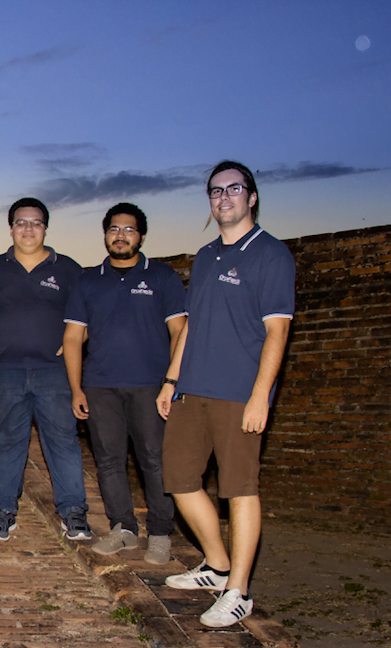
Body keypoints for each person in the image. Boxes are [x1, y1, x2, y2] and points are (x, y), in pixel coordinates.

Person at [157, 161, 294, 628]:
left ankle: (239, 590)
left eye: (234, 189)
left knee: (239, 488)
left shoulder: (271, 255)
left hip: (239, 391)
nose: (224, 198)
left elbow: (277, 333)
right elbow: (192, 326)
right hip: (192, 389)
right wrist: (172, 379)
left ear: (251, 197)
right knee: (178, 478)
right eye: (215, 191)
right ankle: (216, 567)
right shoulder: (205, 255)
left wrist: (261, 397)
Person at [62, 203, 186, 564]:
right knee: (109, 460)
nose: (120, 236)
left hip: (151, 385)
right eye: (114, 229)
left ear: (142, 236)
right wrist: (76, 388)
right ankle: (124, 528)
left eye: (129, 230)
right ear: (105, 235)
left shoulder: (162, 276)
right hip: (100, 386)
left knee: (154, 459)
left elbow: (180, 330)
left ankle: (161, 533)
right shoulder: (88, 281)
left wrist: (171, 381)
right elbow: (72, 338)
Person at [0, 198, 89, 542]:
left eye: (35, 223)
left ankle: (73, 512)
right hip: (5, 371)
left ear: (45, 228)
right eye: (21, 223)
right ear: (10, 228)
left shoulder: (67, 269)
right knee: (9, 442)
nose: (28, 229)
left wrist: (75, 341)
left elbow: (92, 313)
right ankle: (4, 510)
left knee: (63, 441)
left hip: (54, 371)